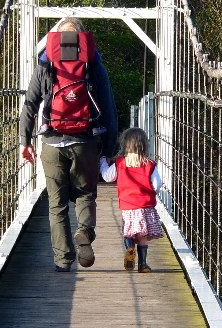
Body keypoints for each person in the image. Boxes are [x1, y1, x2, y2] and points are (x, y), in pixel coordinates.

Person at [20, 17, 118, 272]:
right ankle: (84, 231)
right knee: (86, 193)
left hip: (51, 142)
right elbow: (107, 107)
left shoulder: (46, 61)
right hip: (85, 140)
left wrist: (25, 140)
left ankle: (63, 261)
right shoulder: (92, 61)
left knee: (57, 204)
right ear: (83, 37)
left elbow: (30, 103)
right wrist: (109, 148)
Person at [100, 128, 163, 273]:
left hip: (128, 207)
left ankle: (129, 248)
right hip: (146, 206)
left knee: (129, 232)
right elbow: (157, 184)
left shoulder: (120, 163)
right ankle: (143, 265)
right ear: (144, 145)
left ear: (125, 144)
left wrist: (102, 163)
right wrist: (153, 192)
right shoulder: (149, 164)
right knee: (143, 236)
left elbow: (107, 177)